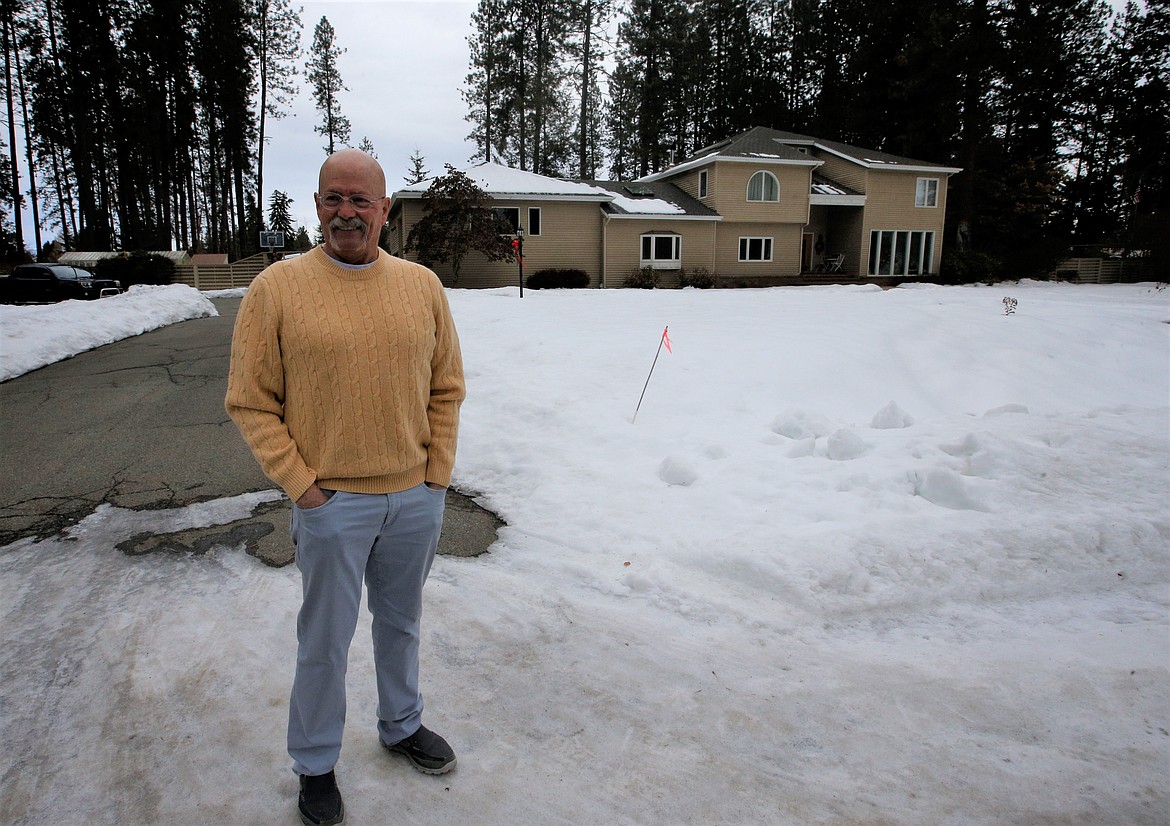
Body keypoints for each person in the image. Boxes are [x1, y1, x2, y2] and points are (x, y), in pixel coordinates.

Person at [225, 148, 465, 826]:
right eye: (334, 198)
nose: (346, 212)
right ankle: (316, 764)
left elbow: (446, 387)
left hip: (413, 497)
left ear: (385, 210)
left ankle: (402, 723)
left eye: (361, 199)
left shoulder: (421, 286)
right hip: (331, 504)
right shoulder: (277, 288)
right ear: (318, 206)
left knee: (402, 624)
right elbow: (250, 401)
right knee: (324, 642)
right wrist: (304, 491)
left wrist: (436, 476)